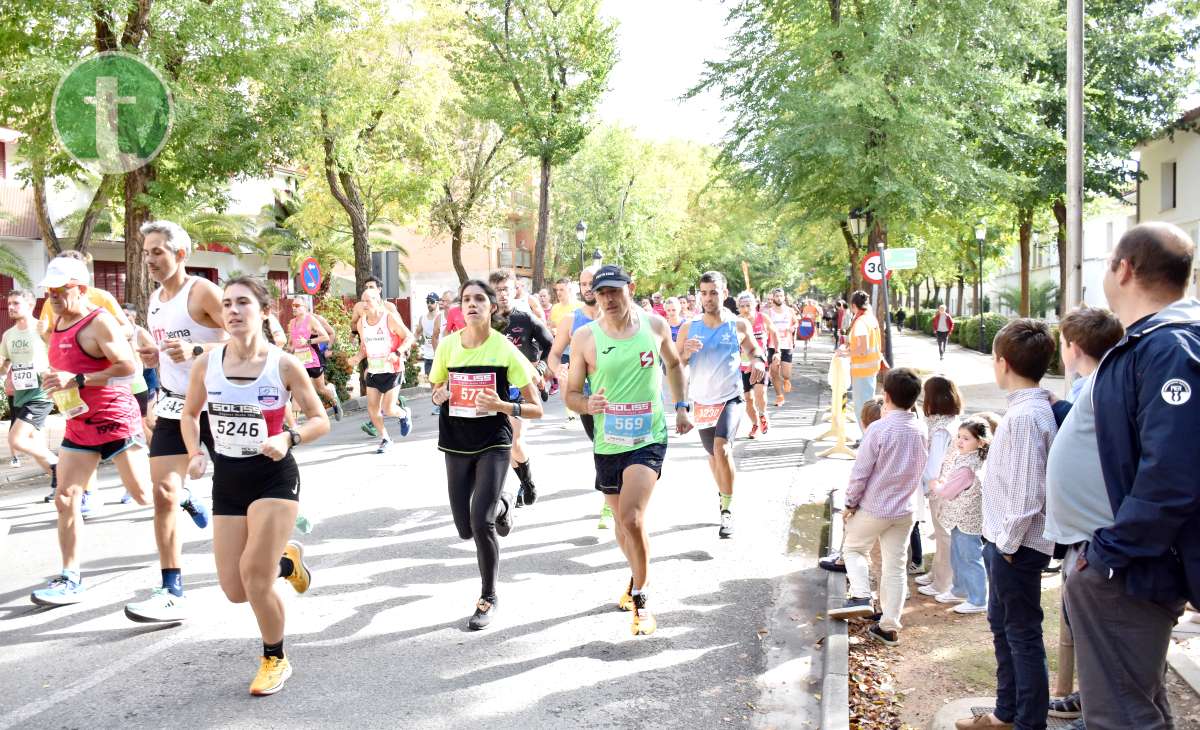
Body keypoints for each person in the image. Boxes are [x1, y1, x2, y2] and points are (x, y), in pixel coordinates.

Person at [1064, 223, 1198, 730]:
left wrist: (1108, 553)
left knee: (1121, 716)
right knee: (1133, 707)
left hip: (1129, 568)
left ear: (1125, 268)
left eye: (1106, 263)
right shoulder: (1149, 343)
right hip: (1123, 563)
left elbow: (1173, 473)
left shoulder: (1169, 348)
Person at [181, 276, 330, 696]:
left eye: (242, 302)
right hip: (229, 478)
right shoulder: (206, 365)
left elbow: (320, 419)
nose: (231, 310)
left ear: (264, 312)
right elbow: (190, 415)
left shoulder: (282, 364)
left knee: (253, 575)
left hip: (273, 475)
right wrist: (195, 452)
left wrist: (288, 437)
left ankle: (274, 658)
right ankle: (287, 563)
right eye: (226, 303)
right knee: (235, 589)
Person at [565, 264, 692, 635]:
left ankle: (643, 597)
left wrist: (681, 406)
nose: (608, 299)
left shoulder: (655, 327)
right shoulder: (585, 338)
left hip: (648, 436)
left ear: (630, 289)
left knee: (633, 518)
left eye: (615, 291)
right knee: (622, 527)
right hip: (608, 442)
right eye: (601, 293)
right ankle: (637, 572)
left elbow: (673, 364)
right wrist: (587, 405)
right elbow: (570, 394)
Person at [30, 257, 153, 606]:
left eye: (60, 289)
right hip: (79, 423)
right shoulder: (56, 322)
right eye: (49, 291)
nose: (52, 296)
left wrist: (80, 379)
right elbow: (66, 367)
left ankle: (182, 495)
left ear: (81, 289)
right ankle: (70, 577)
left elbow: (127, 366)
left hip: (113, 416)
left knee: (144, 495)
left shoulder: (99, 322)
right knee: (65, 498)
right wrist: (55, 380)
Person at [955, 319, 1057, 730]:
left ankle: (1027, 721)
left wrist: (1009, 546)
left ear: (1002, 363)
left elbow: (1027, 493)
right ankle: (1006, 711)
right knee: (1005, 627)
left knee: (1021, 635)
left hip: (1016, 545)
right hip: (1005, 541)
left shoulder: (1024, 417)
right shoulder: (1029, 409)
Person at [430, 279, 544, 630]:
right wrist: (439, 395)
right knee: (465, 529)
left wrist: (501, 404)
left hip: (495, 440)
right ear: (460, 308)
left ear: (492, 307)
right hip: (456, 442)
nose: (472, 304)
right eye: (466, 299)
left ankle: (488, 597)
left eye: (480, 299)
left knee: (482, 523)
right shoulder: (448, 346)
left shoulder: (505, 350)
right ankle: (506, 503)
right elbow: (436, 389)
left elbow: (536, 407)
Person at [124, 220, 223, 622]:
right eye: (146, 252)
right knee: (164, 493)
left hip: (219, 404)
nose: (149, 259)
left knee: (245, 494)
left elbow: (247, 336)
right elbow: (170, 353)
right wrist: (157, 359)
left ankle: (280, 550)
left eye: (157, 251)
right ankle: (171, 588)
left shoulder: (202, 291)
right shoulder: (154, 299)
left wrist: (197, 346)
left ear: (181, 254)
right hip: (174, 406)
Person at [828, 368, 927, 646]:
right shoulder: (920, 428)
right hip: (905, 508)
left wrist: (850, 502)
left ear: (886, 395)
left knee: (853, 548)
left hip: (876, 505)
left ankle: (860, 594)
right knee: (895, 567)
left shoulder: (879, 429)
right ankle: (889, 626)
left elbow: (861, 472)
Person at [677, 272, 767, 539]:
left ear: (725, 293)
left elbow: (753, 351)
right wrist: (685, 354)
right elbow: (673, 365)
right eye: (703, 293)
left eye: (713, 292)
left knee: (722, 448)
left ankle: (727, 511)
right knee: (714, 457)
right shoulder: (688, 327)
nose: (707, 298)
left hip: (731, 397)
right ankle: (723, 494)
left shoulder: (737, 325)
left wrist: (759, 363)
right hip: (702, 401)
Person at [547, 266, 612, 528]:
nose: (587, 288)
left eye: (591, 283)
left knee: (612, 445)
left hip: (617, 394)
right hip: (586, 397)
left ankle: (611, 502)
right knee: (600, 445)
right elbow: (553, 354)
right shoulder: (571, 320)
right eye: (583, 283)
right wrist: (558, 369)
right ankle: (611, 495)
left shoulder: (618, 316)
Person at [489, 269, 553, 507]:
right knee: (503, 443)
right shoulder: (486, 321)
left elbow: (550, 344)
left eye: (506, 289)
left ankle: (527, 484)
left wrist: (541, 368)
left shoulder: (525, 318)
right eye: (497, 290)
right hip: (494, 389)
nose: (502, 294)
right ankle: (522, 480)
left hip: (521, 388)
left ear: (514, 289)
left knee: (514, 441)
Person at [0, 290, 58, 502]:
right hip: (20, 395)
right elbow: (4, 365)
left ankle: (61, 468)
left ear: (30, 305)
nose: (11, 307)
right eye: (9, 303)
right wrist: (4, 373)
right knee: (37, 446)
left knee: (16, 438)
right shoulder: (8, 335)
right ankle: (60, 483)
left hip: (41, 393)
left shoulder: (41, 329)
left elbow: (58, 351)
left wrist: (48, 336)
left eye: (16, 303)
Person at [929, 416, 991, 614]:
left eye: (966, 438)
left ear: (980, 442)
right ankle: (960, 589)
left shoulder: (968, 466)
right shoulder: (968, 459)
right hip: (960, 517)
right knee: (958, 555)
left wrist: (936, 486)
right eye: (959, 437)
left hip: (967, 519)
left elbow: (948, 491)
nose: (960, 441)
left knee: (970, 557)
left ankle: (978, 598)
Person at [818, 396, 885, 574]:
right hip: (896, 504)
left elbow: (860, 477)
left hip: (871, 503)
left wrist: (850, 504)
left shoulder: (870, 441)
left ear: (862, 422)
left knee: (850, 530)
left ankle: (844, 562)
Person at [349, 289, 413, 454]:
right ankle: (385, 438)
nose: (364, 304)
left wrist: (397, 353)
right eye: (362, 300)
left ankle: (404, 414)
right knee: (372, 408)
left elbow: (409, 337)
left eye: (368, 300)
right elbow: (364, 348)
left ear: (378, 301)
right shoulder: (361, 323)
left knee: (389, 408)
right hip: (374, 370)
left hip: (393, 369)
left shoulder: (389, 318)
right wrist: (357, 357)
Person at [915, 376, 962, 597]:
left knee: (944, 536)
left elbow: (933, 466)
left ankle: (943, 582)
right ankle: (936, 573)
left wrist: (923, 479)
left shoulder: (940, 428)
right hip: (946, 486)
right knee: (941, 533)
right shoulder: (948, 421)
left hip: (941, 487)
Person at [287, 296, 342, 422]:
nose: (294, 308)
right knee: (297, 390)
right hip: (299, 362)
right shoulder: (292, 323)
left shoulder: (311, 320)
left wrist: (308, 341)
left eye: (297, 306)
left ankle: (334, 400)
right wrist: (288, 351)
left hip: (314, 360)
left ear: (305, 307)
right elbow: (291, 343)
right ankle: (293, 425)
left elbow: (326, 337)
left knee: (321, 389)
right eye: (293, 306)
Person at [735, 291, 777, 438]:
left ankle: (762, 414)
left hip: (760, 362)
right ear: (738, 308)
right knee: (748, 399)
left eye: (748, 305)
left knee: (760, 393)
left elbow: (774, 333)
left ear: (755, 305)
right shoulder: (736, 321)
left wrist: (775, 352)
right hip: (742, 365)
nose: (746, 309)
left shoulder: (762, 318)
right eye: (742, 306)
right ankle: (754, 424)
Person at [845, 291, 884, 437]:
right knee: (868, 406)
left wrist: (846, 353)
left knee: (863, 408)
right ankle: (869, 438)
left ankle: (867, 439)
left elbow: (862, 349)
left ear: (853, 305)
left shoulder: (861, 322)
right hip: (871, 367)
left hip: (862, 370)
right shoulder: (871, 319)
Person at [764, 288, 797, 407]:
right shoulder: (768, 312)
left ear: (784, 297)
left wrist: (793, 328)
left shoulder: (790, 311)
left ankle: (787, 380)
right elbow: (764, 325)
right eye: (777, 296)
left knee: (786, 373)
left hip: (786, 344)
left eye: (781, 296)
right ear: (773, 297)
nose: (779, 298)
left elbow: (795, 322)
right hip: (773, 345)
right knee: (773, 371)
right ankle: (779, 396)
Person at [414, 292, 442, 384]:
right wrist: (409, 346)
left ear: (437, 303)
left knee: (441, 383)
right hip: (428, 356)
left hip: (441, 356)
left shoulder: (442, 317)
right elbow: (417, 334)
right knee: (432, 383)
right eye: (427, 301)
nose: (429, 304)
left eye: (432, 301)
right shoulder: (423, 318)